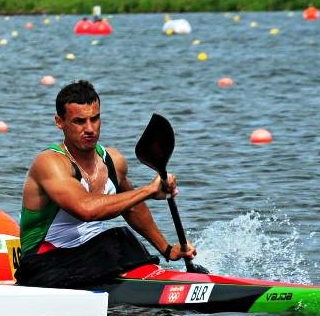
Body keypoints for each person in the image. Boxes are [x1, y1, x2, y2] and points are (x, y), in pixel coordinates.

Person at [17, 80, 196, 289]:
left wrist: (167, 249)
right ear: (60, 122)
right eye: (79, 121)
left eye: (95, 118)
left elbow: (132, 207)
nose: (90, 129)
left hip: (94, 260)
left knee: (117, 241)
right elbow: (86, 209)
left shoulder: (114, 160)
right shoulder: (49, 163)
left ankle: (156, 286)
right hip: (42, 267)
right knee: (117, 239)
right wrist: (149, 190)